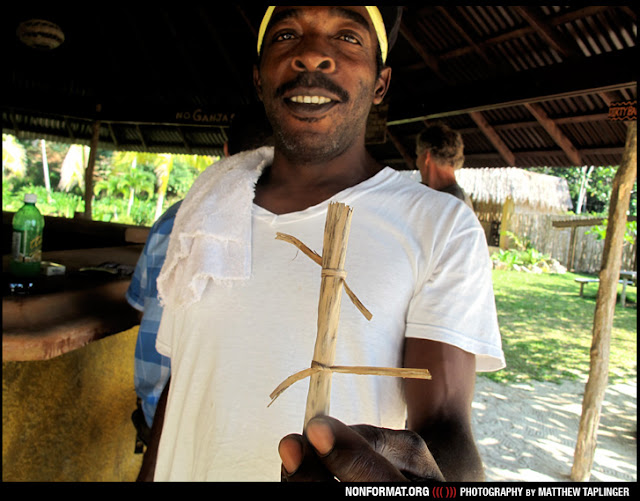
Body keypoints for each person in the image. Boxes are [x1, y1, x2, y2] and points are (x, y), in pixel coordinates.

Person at [139, 6, 504, 482]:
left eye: (347, 37)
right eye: (286, 34)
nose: (312, 54)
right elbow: (184, 379)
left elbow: (446, 427)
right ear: (258, 78)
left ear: (381, 83)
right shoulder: (207, 208)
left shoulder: (440, 225)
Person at [126, 103, 273, 443]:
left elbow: (139, 307)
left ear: (226, 152)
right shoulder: (280, 231)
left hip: (154, 412)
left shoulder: (173, 219)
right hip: (216, 430)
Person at [416, 122, 474, 209]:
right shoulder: (455, 199)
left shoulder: (450, 204)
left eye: (418, 155)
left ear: (426, 157)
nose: (417, 162)